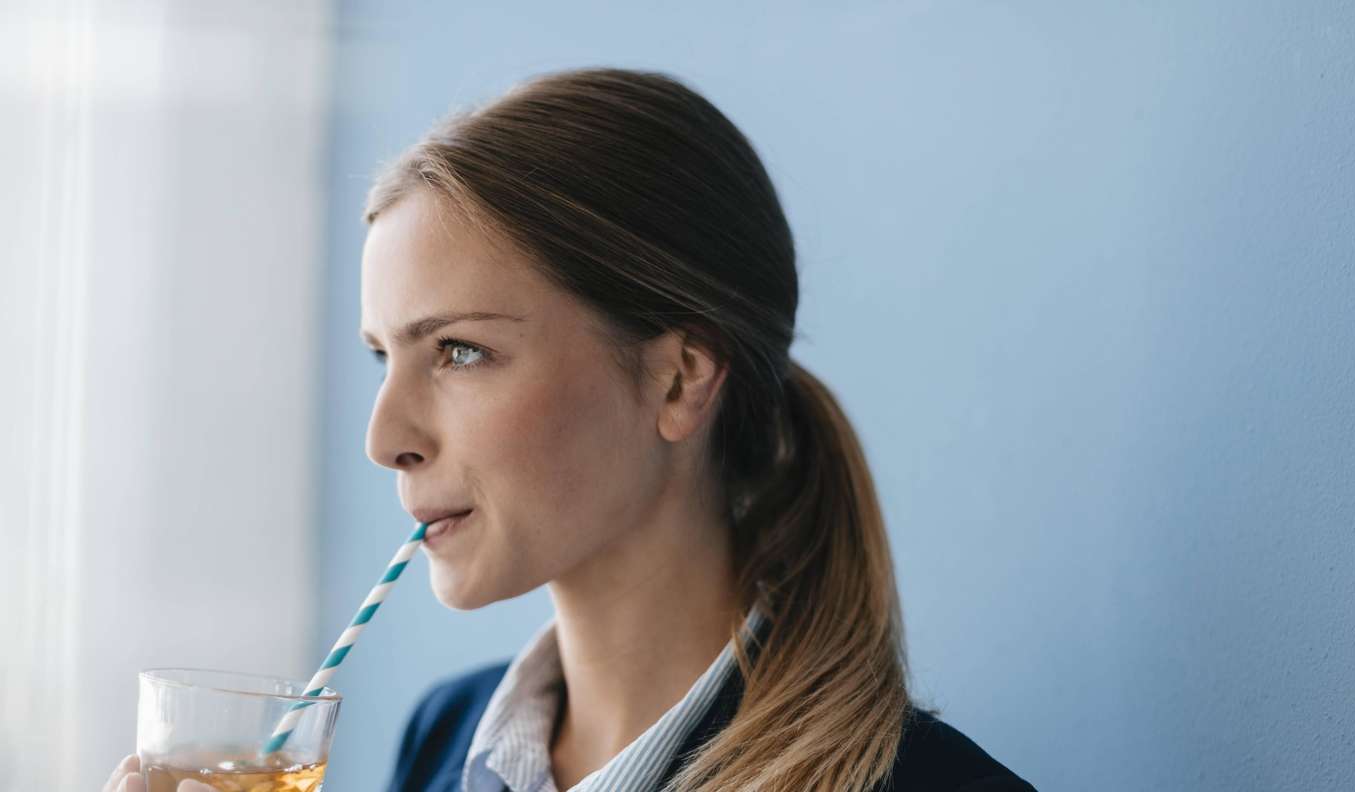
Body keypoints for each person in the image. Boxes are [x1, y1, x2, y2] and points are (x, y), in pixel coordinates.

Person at [103, 66, 1035, 792]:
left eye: (460, 351)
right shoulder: (444, 739)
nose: (385, 437)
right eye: (383, 356)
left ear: (679, 380)